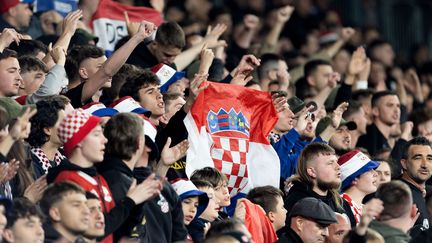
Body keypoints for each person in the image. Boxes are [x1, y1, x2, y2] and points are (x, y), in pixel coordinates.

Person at [283, 143, 343, 227]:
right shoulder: (297, 204)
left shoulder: (338, 201)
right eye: (330, 163)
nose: (338, 166)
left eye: (336, 162)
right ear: (312, 172)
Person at [338, 150, 379, 227]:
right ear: (354, 179)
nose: (376, 173)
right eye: (369, 170)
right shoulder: (340, 206)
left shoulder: (363, 208)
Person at [399, 136, 432, 230]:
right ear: (404, 163)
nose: (425, 164)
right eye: (417, 158)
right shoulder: (398, 194)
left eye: (429, 158)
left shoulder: (421, 191)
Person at [357, 91, 401, 157]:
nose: (396, 110)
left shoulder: (382, 139)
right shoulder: (367, 136)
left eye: (398, 106)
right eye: (390, 105)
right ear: (375, 111)